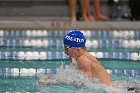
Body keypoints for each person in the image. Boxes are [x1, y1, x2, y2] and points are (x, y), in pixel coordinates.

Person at [38, 30, 113, 85]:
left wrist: (56, 83)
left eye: (67, 48)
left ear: (77, 49)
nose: (65, 52)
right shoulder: (85, 57)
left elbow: (85, 85)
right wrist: (54, 79)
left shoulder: (83, 60)